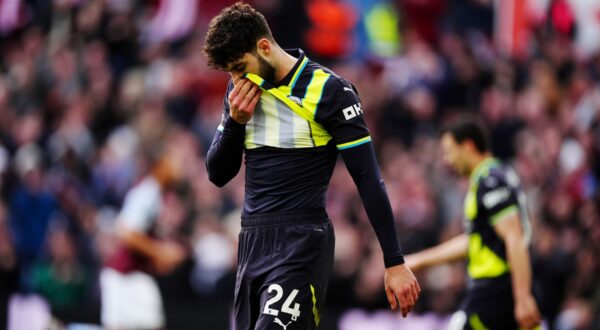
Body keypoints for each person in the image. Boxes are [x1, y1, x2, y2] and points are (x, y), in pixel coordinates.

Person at [203, 3, 419, 329]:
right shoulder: (239, 93)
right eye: (230, 73)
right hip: (252, 241)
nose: (236, 79)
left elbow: (368, 178)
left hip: (301, 241)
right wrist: (235, 123)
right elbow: (217, 174)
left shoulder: (330, 91)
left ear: (264, 47)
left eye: (239, 67)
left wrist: (394, 261)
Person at [405, 116, 541, 330]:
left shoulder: (491, 181)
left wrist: (523, 297)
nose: (446, 160)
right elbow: (475, 241)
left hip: (497, 289)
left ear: (467, 146)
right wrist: (420, 261)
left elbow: (514, 238)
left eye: (449, 152)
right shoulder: (488, 178)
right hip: (497, 290)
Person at [100, 145, 187, 330]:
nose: (179, 167)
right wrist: (160, 253)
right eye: (174, 161)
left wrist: (158, 259)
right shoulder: (147, 192)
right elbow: (128, 234)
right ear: (160, 164)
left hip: (135, 272)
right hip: (122, 274)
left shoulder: (156, 194)